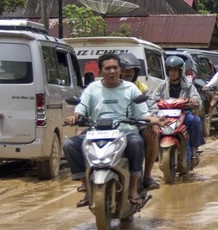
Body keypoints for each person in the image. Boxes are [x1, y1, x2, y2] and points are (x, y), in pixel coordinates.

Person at [63, 53, 165, 208]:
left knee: (137, 142)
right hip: (96, 132)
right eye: (107, 68)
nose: (112, 71)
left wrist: (157, 120)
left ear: (119, 70)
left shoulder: (131, 88)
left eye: (115, 67)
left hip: (125, 131)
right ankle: (87, 188)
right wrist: (75, 116)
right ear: (100, 72)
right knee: (69, 144)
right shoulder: (92, 88)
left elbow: (143, 114)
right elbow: (81, 108)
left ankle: (132, 188)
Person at [152, 55, 205, 167]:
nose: (173, 73)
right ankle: (155, 153)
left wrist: (194, 101)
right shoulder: (162, 85)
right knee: (152, 127)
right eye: (171, 70)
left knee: (195, 121)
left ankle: (194, 151)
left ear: (181, 71)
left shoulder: (189, 85)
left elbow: (197, 99)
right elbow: (153, 98)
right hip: (165, 116)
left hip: (184, 114)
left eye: (176, 70)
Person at [119, 52, 160, 190]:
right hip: (113, 125)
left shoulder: (141, 87)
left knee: (152, 134)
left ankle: (147, 176)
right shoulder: (106, 85)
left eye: (131, 71)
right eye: (124, 70)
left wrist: (153, 122)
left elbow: (152, 106)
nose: (127, 73)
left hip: (137, 123)